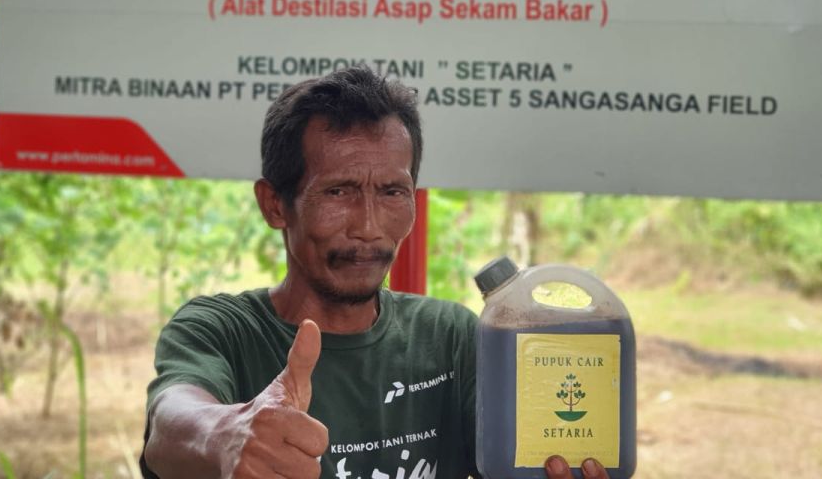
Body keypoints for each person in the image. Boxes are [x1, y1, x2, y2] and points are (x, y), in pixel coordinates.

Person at [141, 66, 609, 479]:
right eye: (338, 192)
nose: (368, 227)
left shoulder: (450, 337)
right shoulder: (220, 331)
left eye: (391, 192)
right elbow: (169, 426)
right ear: (275, 204)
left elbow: (519, 458)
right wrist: (225, 434)